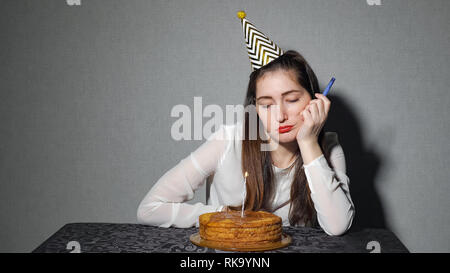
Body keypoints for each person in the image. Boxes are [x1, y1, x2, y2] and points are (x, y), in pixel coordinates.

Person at [137, 12, 355, 236]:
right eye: (266, 105)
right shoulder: (228, 141)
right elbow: (149, 209)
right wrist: (225, 216)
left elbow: (337, 225)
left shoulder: (328, 148)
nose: (280, 115)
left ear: (314, 100)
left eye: (291, 100)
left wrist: (308, 142)